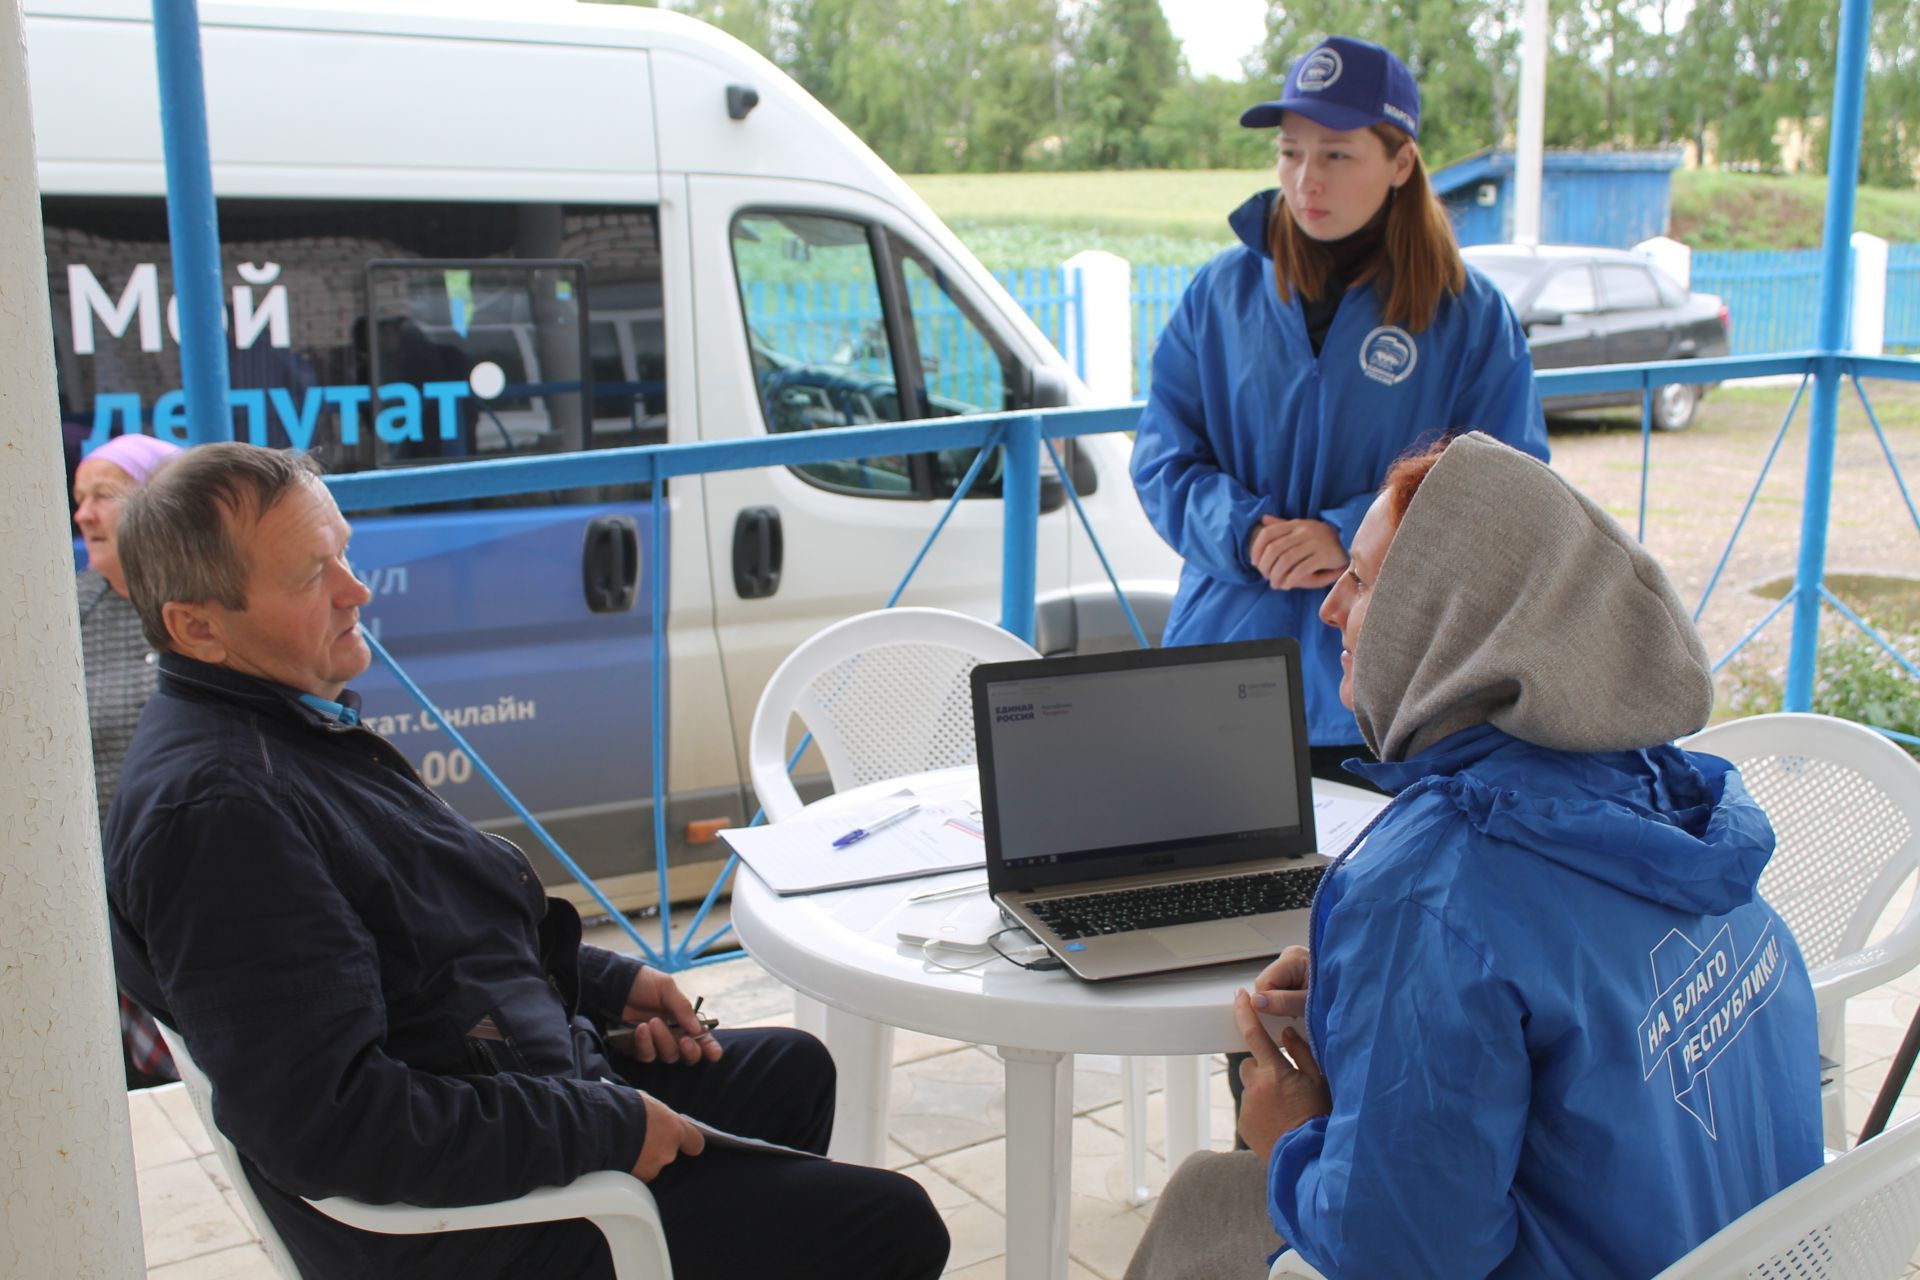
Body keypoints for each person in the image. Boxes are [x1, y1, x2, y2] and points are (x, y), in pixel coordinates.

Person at [105, 442, 948, 1280]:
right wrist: (604, 1128)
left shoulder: (279, 728)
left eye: (345, 554)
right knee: (893, 1225)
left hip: (501, 1071)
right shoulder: (221, 817)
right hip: (477, 1228)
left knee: (793, 1073)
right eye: (309, 576)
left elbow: (424, 931)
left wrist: (601, 983)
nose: (354, 590)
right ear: (198, 626)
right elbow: (332, 1126)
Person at [1124, 432, 1823, 1280]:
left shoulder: (1427, 894)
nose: (1331, 606)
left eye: (1365, 579)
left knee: (1205, 1193)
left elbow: (1402, 1259)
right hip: (1746, 1254)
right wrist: (1375, 996)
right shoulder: (1679, 802)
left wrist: (1287, 1142)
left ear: (1453, 617)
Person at [1130, 35, 1550, 787]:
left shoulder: (1470, 316)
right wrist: (1246, 530)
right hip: (1226, 661)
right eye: (1290, 153)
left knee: (1371, 894)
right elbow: (1163, 458)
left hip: (1395, 683)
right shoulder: (1219, 295)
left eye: (1336, 155)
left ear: (1400, 163)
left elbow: (1509, 491)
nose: (1305, 180)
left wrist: (1354, 537)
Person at [72, 430, 186, 1089]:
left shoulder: (200, 613)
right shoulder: (69, 612)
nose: (82, 514)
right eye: (78, 497)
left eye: (103, 497)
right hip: (102, 893)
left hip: (183, 884)